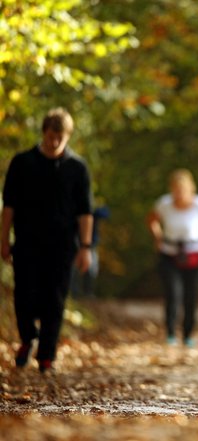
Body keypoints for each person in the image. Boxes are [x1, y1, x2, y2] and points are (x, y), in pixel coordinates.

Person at [1, 107, 93, 373]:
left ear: (67, 137)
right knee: (25, 295)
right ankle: (28, 337)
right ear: (43, 133)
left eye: (60, 138)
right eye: (51, 136)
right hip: (27, 241)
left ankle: (46, 356)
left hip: (63, 245)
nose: (54, 143)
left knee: (55, 298)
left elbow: (85, 212)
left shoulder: (77, 168)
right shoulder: (22, 163)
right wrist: (4, 239)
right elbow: (9, 206)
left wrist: (86, 247)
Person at [147, 169, 198, 348]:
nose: (179, 193)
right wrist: (158, 239)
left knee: (192, 296)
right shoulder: (164, 203)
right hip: (169, 253)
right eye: (175, 189)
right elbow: (151, 220)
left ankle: (188, 334)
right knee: (172, 294)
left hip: (194, 254)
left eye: (182, 189)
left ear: (190, 189)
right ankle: (171, 333)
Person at [70, 205, 110, 298]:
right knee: (75, 270)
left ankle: (88, 293)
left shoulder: (93, 212)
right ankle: (74, 293)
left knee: (91, 270)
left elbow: (106, 214)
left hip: (90, 245)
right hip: (77, 244)